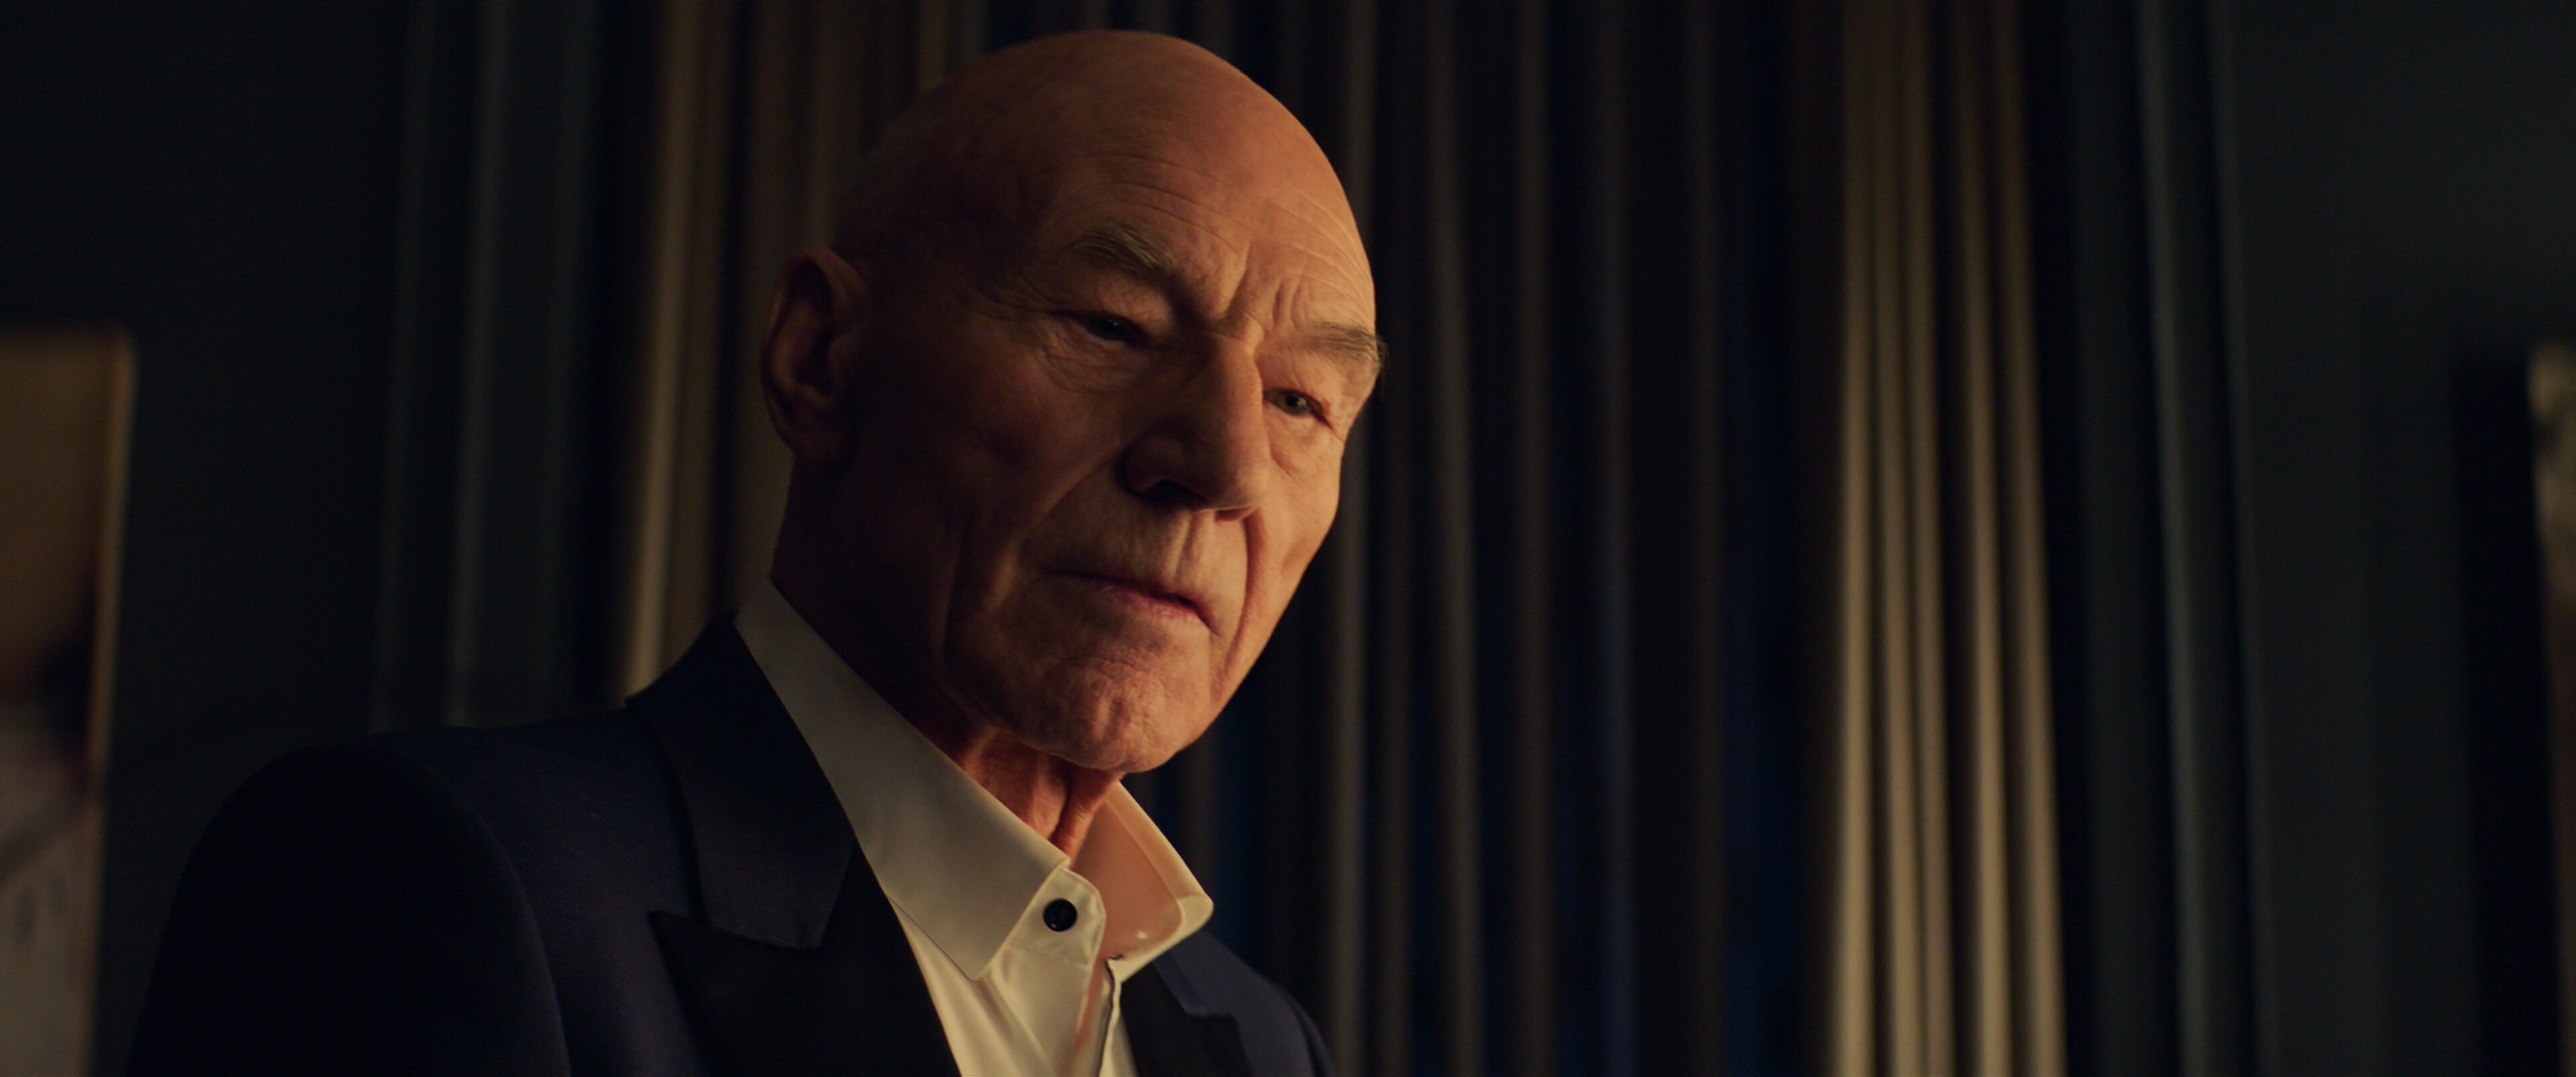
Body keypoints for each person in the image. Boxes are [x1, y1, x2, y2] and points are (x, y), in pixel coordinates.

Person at [127, 29, 1378, 1077]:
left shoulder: (1269, 1044)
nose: (1224, 465)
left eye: (1301, 401)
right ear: (819, 358)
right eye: (1113, 325)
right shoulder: (417, 885)